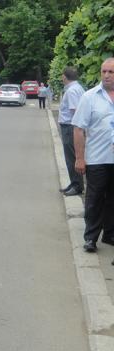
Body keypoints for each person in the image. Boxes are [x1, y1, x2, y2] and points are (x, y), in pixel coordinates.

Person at [72, 58, 114, 253]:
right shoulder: (90, 97)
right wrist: (80, 158)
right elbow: (79, 129)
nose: (106, 75)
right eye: (104, 71)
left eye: (111, 72)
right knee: (95, 199)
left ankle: (110, 233)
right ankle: (90, 237)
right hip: (97, 158)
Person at [59, 67, 86, 196]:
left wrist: (77, 129)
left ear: (65, 77)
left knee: (71, 157)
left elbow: (75, 111)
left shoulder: (72, 91)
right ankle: (74, 182)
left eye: (62, 76)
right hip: (72, 127)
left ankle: (77, 186)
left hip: (70, 127)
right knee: (72, 156)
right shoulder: (77, 88)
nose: (61, 78)